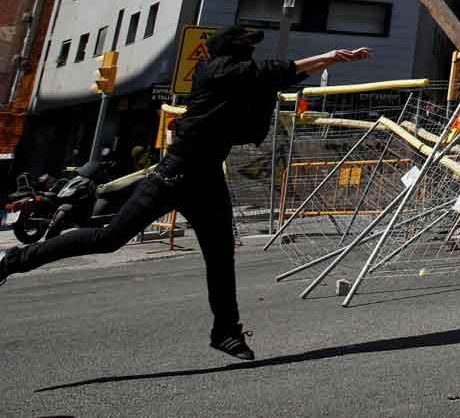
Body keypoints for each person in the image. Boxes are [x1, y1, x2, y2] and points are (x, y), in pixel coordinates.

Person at [0, 25, 371, 360]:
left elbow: (271, 78)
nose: (252, 58)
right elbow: (273, 72)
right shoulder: (218, 71)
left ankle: (226, 332)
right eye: (247, 51)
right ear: (233, 53)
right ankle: (15, 261)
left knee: (221, 256)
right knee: (108, 238)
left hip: (207, 178)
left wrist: (325, 61)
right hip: (175, 175)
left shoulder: (235, 78)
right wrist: (328, 57)